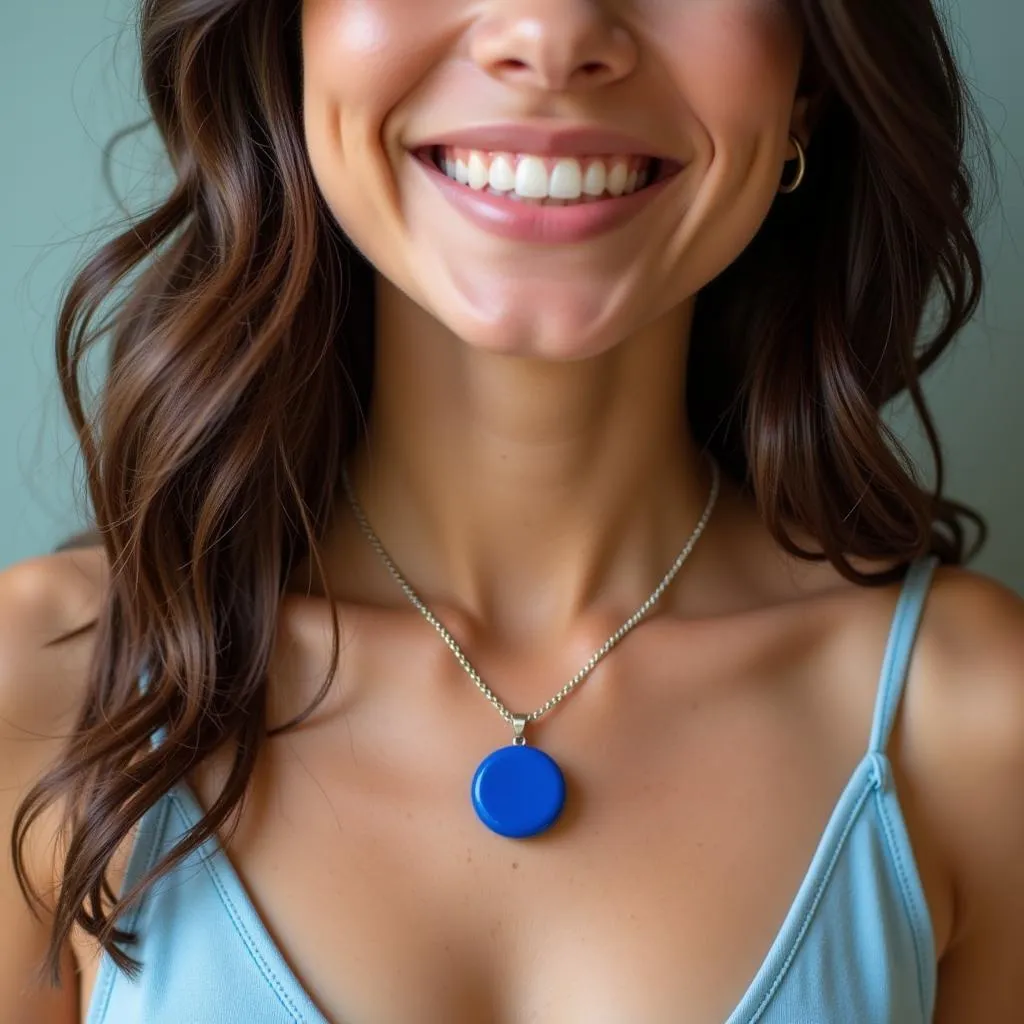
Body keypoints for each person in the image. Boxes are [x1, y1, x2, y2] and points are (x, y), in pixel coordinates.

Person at [2, 0, 1023, 1020]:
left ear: (809, 77)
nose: (552, 31)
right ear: (287, 36)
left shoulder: (977, 727)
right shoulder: (40, 696)